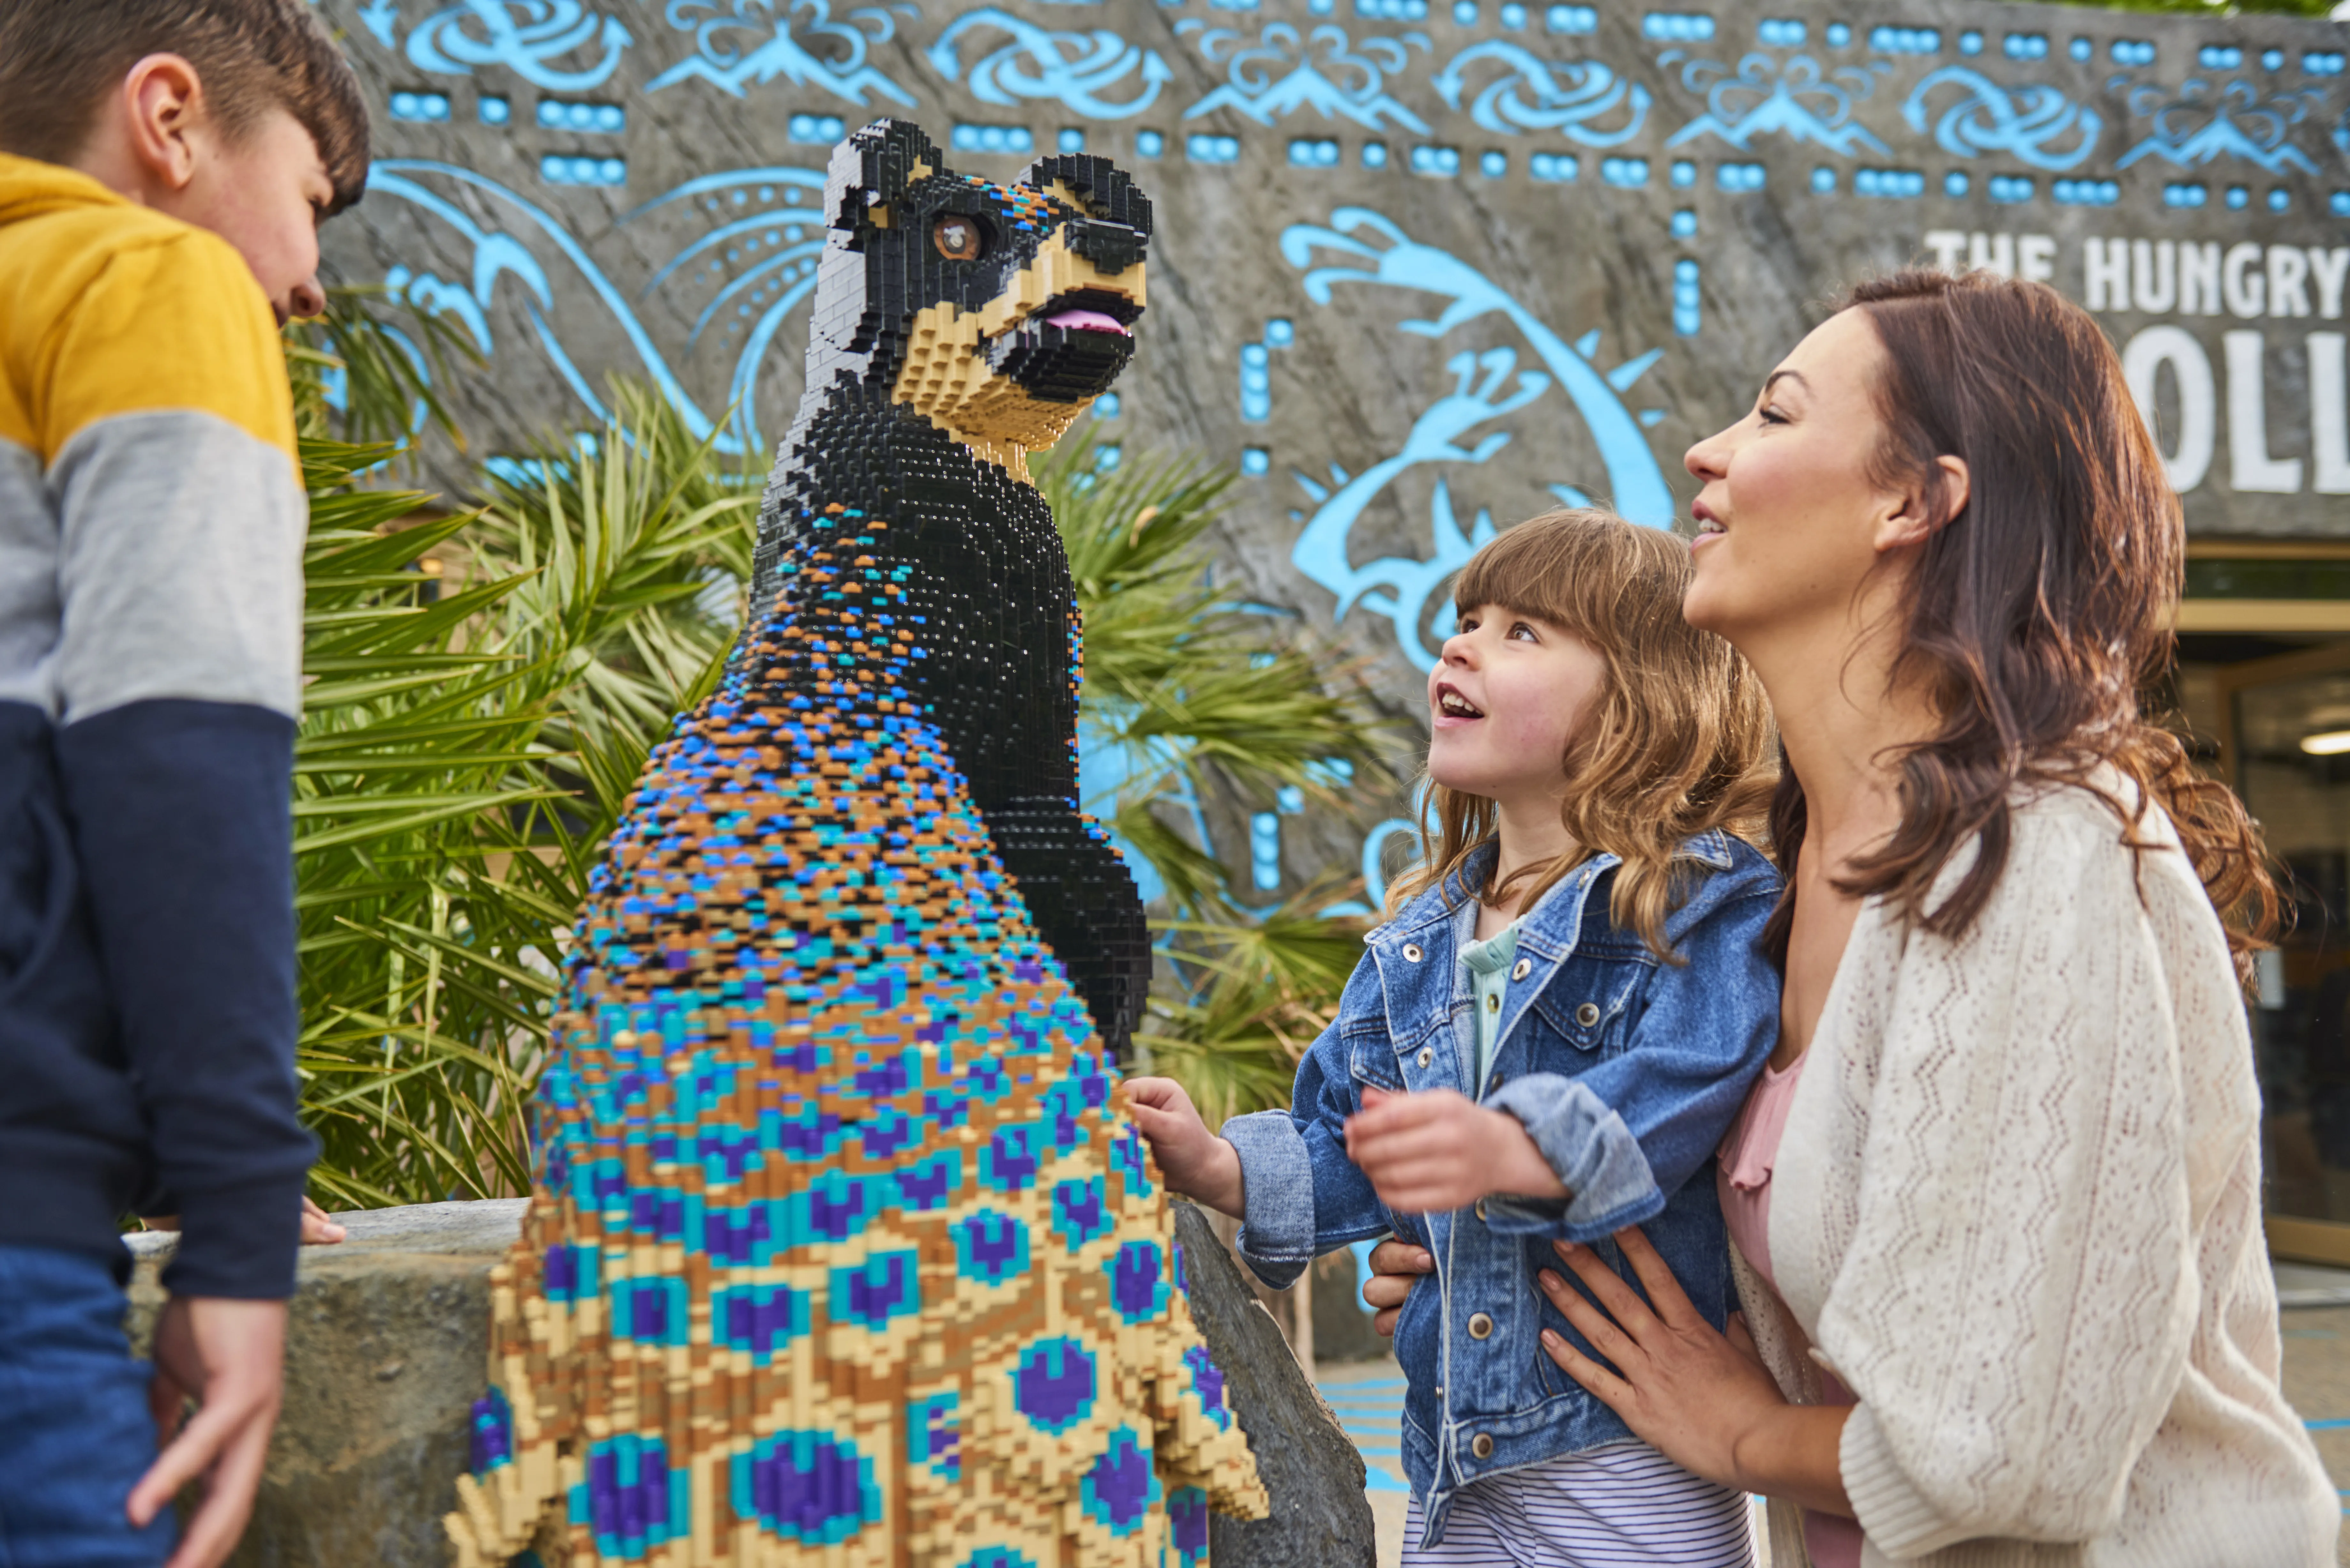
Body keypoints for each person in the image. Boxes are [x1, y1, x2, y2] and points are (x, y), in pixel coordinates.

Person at [1371, 269, 2340, 1564]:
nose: (1704, 450)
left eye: (1773, 416)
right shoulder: (1775, 883)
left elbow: (2005, 1455)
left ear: (1912, 500)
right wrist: (1494, 1255)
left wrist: (1737, 1433)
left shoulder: (2035, 849)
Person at [1129, 509, 1784, 1564]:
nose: (1463, 645)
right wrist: (1218, 1163)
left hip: (1619, 1456)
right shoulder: (1418, 940)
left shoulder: (1695, 900)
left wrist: (1513, 1147)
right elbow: (1351, 1140)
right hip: (1449, 1461)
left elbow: (1690, 1076)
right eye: (1468, 620)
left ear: (1643, 701)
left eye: (1525, 632)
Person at [0, 4, 368, 1564]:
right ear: (169, 120)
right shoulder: (144, 278)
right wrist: (231, 1223)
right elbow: (178, 774)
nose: (307, 280)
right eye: (310, 200)